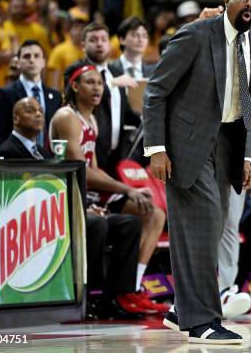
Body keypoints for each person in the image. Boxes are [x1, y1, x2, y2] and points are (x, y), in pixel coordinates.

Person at [143, 0, 251, 344]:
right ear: (226, 1)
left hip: (228, 143)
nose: (249, 3)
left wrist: (246, 155)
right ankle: (203, 322)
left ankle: (182, 310)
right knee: (203, 222)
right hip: (186, 144)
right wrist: (156, 148)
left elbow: (248, 102)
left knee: (209, 231)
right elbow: (156, 91)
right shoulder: (197, 34)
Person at [51, 63, 168, 313]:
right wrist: (127, 190)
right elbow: (81, 169)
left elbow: (94, 168)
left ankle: (131, 289)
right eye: (90, 82)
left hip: (88, 191)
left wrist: (129, 189)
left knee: (153, 213)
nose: (97, 88)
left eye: (100, 83)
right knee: (109, 222)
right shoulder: (66, 117)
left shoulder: (91, 119)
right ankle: (97, 293)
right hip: (65, 194)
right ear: (74, 86)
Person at [80, 23, 140, 175]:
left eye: (103, 39)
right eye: (93, 40)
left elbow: (122, 111)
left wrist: (145, 119)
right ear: (83, 45)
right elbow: (84, 98)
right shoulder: (76, 70)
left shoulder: (116, 71)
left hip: (116, 154)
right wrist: (112, 83)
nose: (99, 43)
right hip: (89, 153)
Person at [0, 40, 61, 153]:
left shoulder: (56, 97)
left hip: (48, 164)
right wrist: (10, 161)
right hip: (16, 164)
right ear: (18, 63)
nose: (32, 60)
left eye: (36, 56)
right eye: (27, 56)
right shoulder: (4, 94)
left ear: (43, 62)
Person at [47, 17, 85, 90]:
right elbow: (53, 81)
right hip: (64, 96)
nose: (79, 32)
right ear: (70, 31)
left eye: (82, 29)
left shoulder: (89, 52)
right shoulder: (59, 50)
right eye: (76, 28)